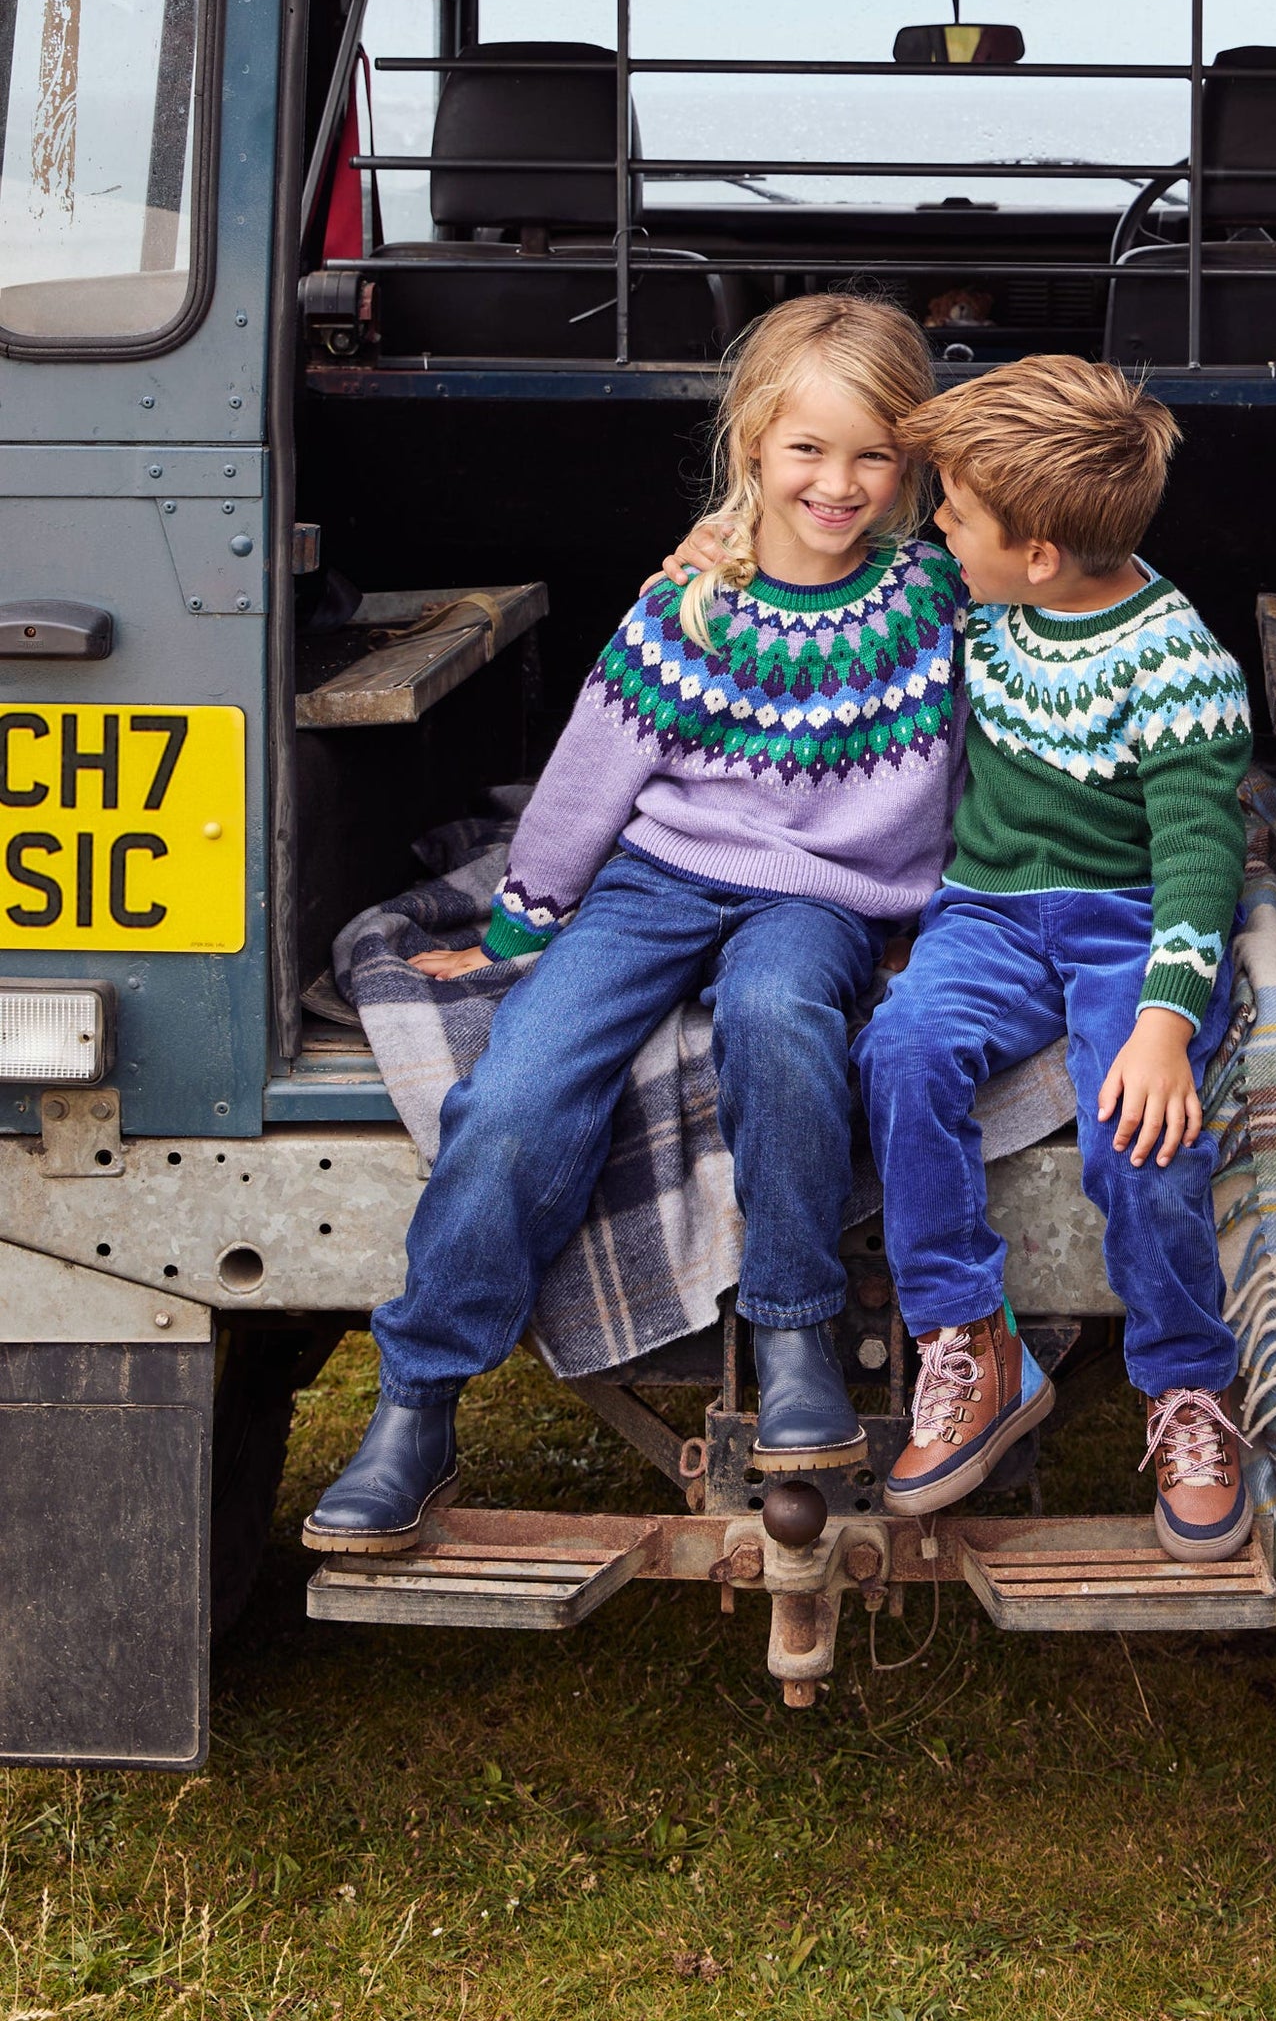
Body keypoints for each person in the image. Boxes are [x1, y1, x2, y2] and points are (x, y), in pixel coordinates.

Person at [304, 295, 960, 1553]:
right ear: (753, 446)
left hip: (820, 897)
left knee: (777, 1013)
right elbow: (589, 775)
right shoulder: (690, 603)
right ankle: (418, 1397)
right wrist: (515, 928)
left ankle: (793, 1328)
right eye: (807, 450)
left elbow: (999, 716)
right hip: (657, 879)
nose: (837, 483)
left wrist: (940, 919)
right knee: (516, 1090)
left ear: (910, 461)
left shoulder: (933, 593)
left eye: (872, 453)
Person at [855, 356, 1256, 1562]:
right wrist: (709, 554)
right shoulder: (974, 588)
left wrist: (1164, 1024)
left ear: (1037, 553)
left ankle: (1187, 1389)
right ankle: (967, 1340)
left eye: (955, 514)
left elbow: (1198, 860)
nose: (933, 529)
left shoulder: (1178, 668)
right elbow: (832, 568)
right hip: (985, 909)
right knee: (902, 1047)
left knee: (1136, 1132)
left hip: (1126, 919)